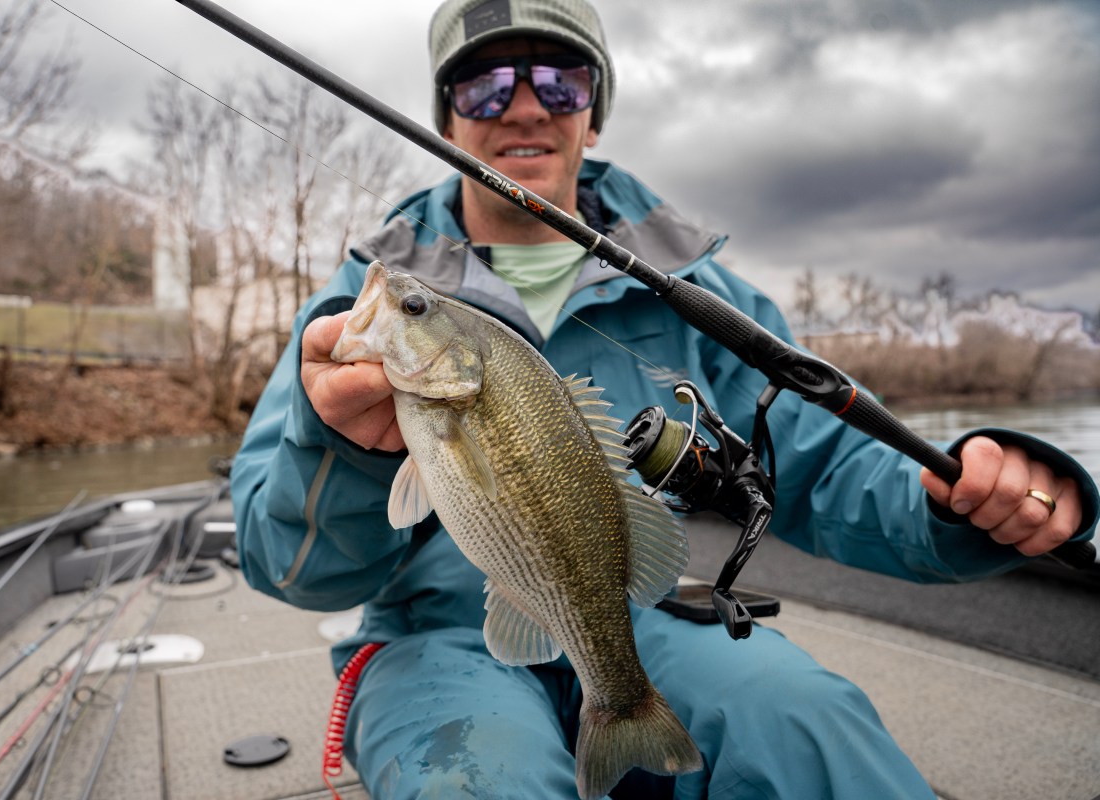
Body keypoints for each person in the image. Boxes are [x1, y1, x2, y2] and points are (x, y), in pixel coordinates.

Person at [231, 0, 1098, 797]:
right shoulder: (352, 310)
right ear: (448, 115)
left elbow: (822, 457)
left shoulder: (697, 290)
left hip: (636, 610)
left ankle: (630, 717)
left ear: (593, 109)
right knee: (475, 778)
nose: (526, 107)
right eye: (486, 84)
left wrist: (954, 500)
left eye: (560, 81)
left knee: (809, 723)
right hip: (435, 639)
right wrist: (342, 447)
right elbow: (288, 567)